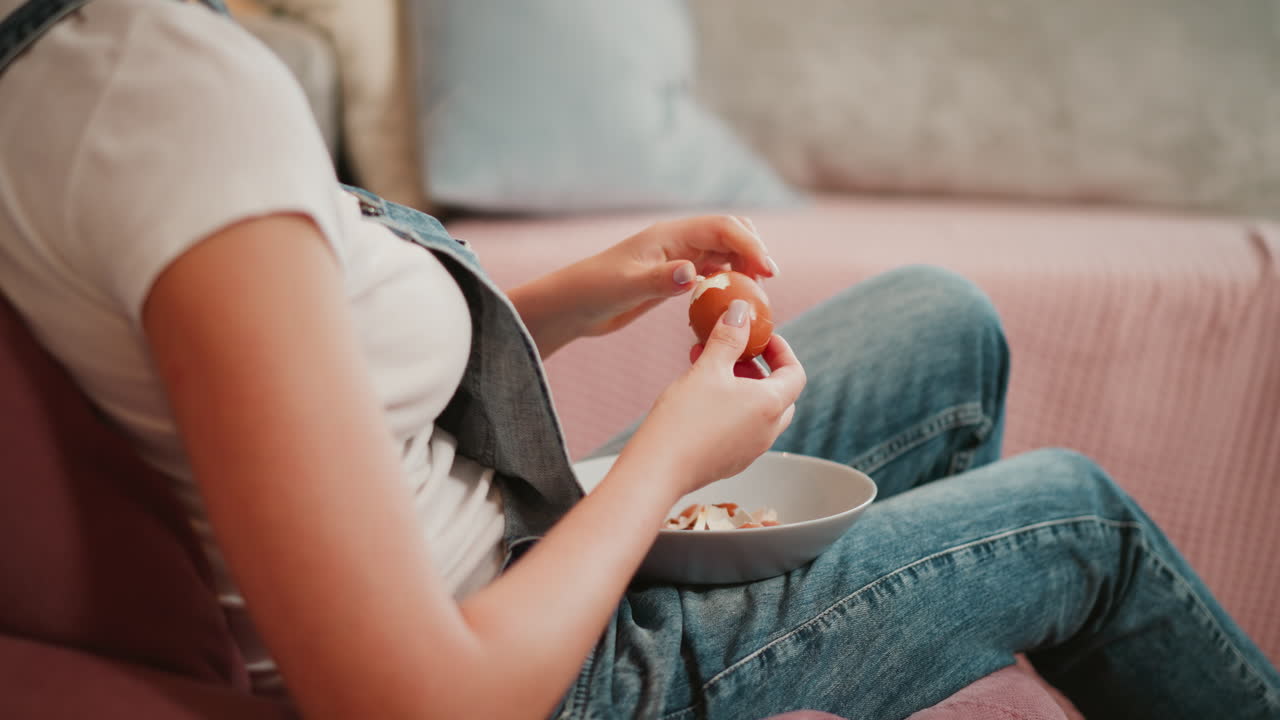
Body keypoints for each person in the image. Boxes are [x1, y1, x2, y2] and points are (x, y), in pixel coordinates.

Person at [0, 1, 1277, 719]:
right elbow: (414, 704)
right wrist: (669, 454)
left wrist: (569, 297)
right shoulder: (175, 102)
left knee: (939, 319)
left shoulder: (83, 63)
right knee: (1077, 527)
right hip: (533, 666)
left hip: (517, 553)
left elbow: (289, 373)